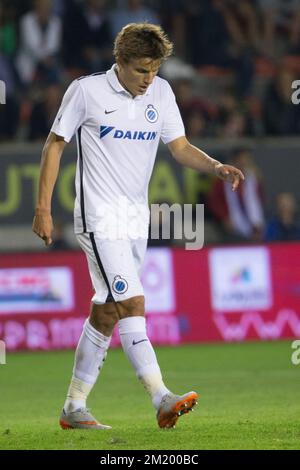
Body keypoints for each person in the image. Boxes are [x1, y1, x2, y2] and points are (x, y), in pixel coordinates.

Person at [32, 23, 244, 430]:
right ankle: (161, 397)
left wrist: (215, 166)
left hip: (135, 219)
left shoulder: (162, 93)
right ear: (120, 61)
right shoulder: (86, 91)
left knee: (107, 312)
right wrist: (43, 208)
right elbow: (54, 143)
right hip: (98, 218)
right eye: (142, 70)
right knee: (133, 303)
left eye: (155, 69)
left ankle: (74, 407)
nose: (150, 79)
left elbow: (179, 147)